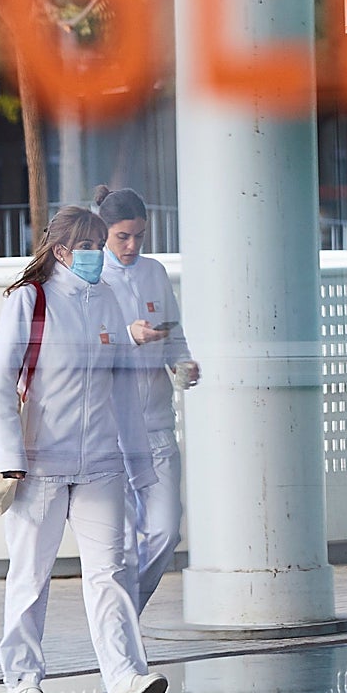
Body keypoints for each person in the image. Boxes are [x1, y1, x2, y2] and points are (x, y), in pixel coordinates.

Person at [0, 206, 168, 693]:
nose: (98, 254)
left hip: (102, 465)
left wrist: (140, 465)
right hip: (39, 466)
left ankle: (124, 679)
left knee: (112, 574)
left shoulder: (107, 299)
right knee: (30, 577)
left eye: (100, 244)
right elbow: (2, 382)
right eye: (88, 246)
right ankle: (22, 681)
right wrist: (11, 458)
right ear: (63, 251)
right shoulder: (32, 300)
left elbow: (122, 387)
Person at [94, 186, 200, 615]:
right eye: (123, 236)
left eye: (140, 235)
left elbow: (173, 332)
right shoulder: (90, 277)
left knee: (165, 530)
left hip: (156, 423)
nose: (133, 245)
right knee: (118, 545)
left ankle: (122, 613)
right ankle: (119, 630)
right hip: (110, 428)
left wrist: (183, 363)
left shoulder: (154, 272)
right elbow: (85, 346)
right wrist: (128, 336)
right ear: (104, 232)